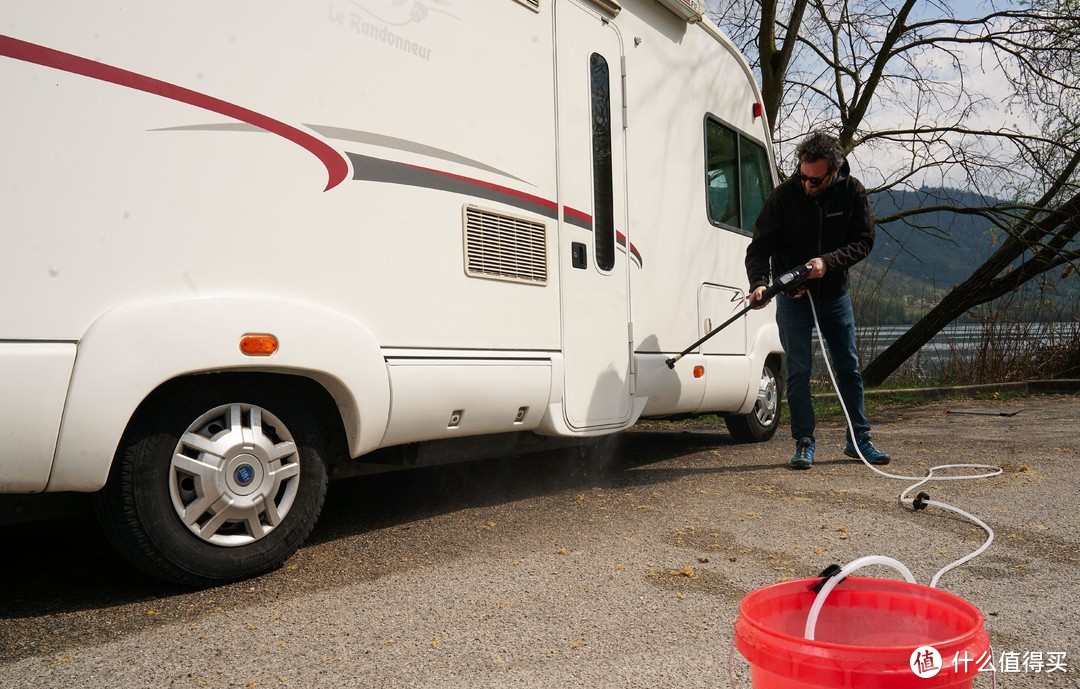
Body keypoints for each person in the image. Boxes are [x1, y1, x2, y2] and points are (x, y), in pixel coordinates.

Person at [744, 131, 891, 469]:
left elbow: (864, 240)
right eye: (803, 175)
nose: (807, 183)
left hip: (834, 295)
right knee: (798, 371)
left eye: (815, 179)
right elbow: (759, 249)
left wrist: (828, 263)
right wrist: (760, 283)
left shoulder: (852, 191)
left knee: (848, 368)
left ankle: (859, 440)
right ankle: (804, 442)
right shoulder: (782, 197)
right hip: (794, 301)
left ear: (834, 171)